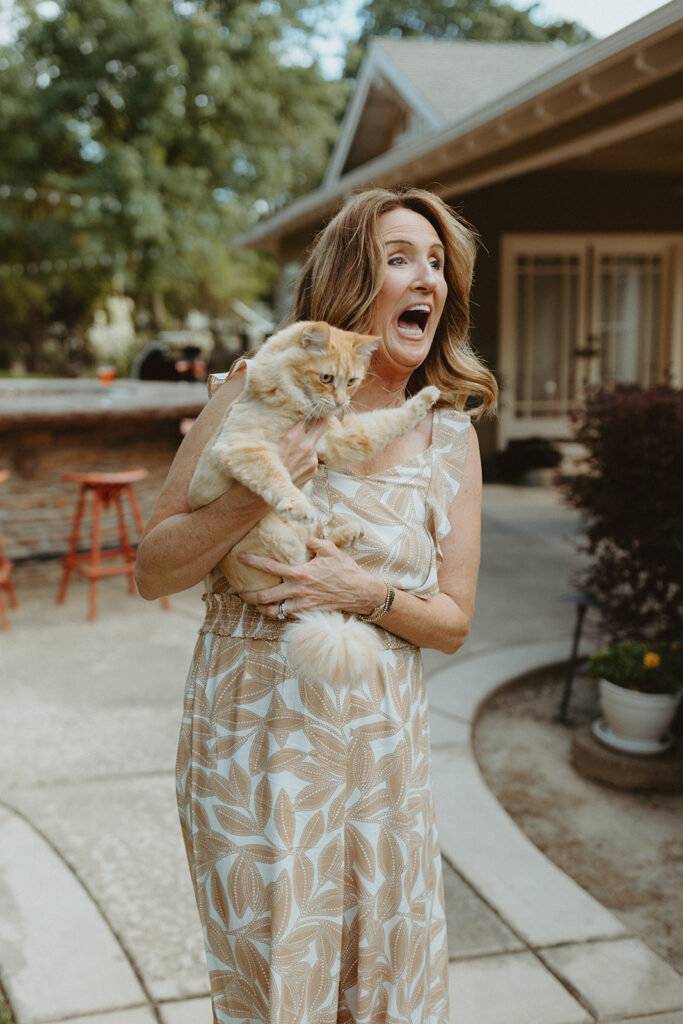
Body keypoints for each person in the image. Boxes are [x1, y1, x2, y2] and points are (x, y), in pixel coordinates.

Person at [135, 186, 497, 1023]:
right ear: (350, 283)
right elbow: (154, 569)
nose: (426, 279)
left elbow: (451, 623)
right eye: (400, 258)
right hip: (251, 744)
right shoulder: (255, 389)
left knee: (376, 985)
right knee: (273, 985)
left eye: (436, 263)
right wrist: (256, 498)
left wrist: (364, 592)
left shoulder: (447, 435)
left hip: (379, 755)